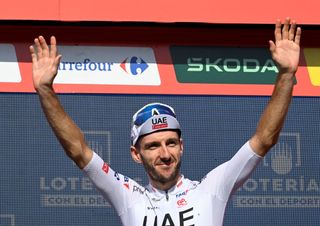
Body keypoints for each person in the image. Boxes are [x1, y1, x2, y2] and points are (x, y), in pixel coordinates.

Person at [30, 18, 301, 226]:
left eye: (171, 142)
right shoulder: (128, 195)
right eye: (153, 146)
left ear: (181, 146)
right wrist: (46, 91)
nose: (165, 153)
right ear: (136, 154)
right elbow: (79, 151)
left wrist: (287, 74)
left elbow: (264, 139)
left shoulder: (211, 188)